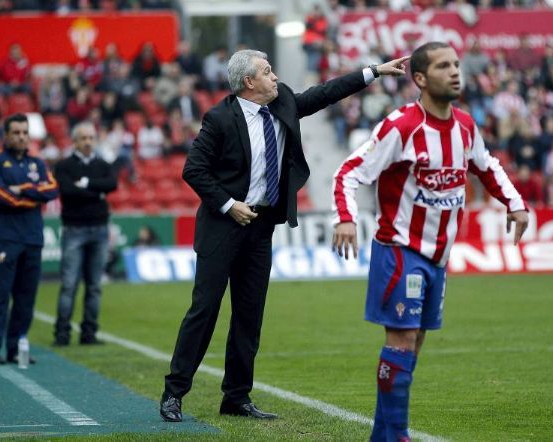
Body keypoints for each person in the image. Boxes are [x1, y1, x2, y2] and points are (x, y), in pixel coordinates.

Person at [159, 48, 410, 422]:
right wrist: (230, 204)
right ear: (249, 82)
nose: (274, 77)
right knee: (204, 311)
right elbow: (194, 170)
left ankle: (236, 398)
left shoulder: (284, 101)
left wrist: (372, 72)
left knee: (249, 316)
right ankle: (173, 393)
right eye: (267, 71)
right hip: (223, 226)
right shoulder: (219, 118)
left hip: (261, 227)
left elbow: (324, 93)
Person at [331, 42, 529, 442]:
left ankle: (382, 434)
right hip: (400, 250)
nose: (455, 72)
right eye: (443, 66)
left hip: (439, 254)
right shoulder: (401, 127)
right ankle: (397, 434)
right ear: (419, 79)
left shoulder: (466, 126)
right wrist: (346, 220)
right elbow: (348, 172)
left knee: (415, 341)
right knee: (402, 338)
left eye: (456, 64)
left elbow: (486, 166)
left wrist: (515, 203)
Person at [0, 113, 59, 364]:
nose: (21, 137)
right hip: (7, 238)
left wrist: (24, 189)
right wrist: (32, 198)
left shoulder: (38, 163)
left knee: (26, 297)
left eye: (24, 132)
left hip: (33, 237)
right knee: (0, 294)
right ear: (6, 135)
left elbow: (53, 190)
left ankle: (16, 348)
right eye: (16, 132)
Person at [52, 122, 117, 346]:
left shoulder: (102, 164)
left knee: (94, 286)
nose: (88, 142)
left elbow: (112, 184)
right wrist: (97, 192)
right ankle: (62, 333)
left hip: (99, 229)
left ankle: (88, 334)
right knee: (69, 284)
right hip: (74, 229)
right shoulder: (64, 166)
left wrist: (86, 184)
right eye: (84, 138)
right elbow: (67, 191)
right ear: (75, 141)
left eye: (91, 137)